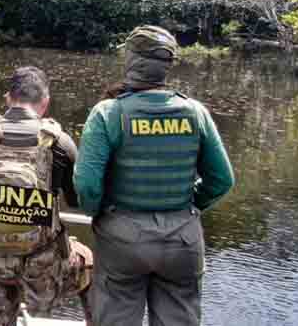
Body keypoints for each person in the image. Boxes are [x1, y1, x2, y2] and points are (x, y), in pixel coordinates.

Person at [74, 25, 235, 326]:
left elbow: (86, 184)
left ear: (132, 60)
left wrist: (100, 214)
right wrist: (188, 206)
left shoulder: (108, 113)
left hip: (122, 237)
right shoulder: (195, 112)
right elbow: (222, 180)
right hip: (183, 239)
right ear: (167, 65)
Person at [0, 66, 93, 326]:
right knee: (90, 262)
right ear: (45, 102)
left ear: (8, 99)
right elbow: (78, 200)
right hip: (41, 271)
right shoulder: (60, 142)